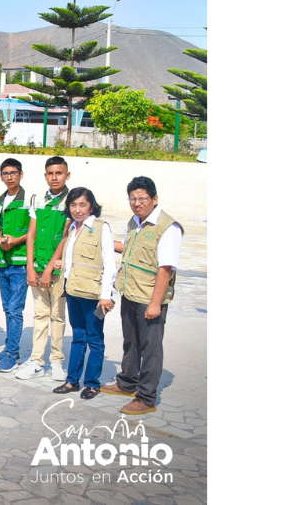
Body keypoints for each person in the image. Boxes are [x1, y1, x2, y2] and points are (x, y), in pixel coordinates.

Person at [102, 176, 183, 416]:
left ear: (154, 199)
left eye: (142, 199)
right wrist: (104, 241)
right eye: (133, 199)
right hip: (131, 292)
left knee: (151, 347)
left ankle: (146, 397)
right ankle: (127, 382)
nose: (137, 203)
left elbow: (165, 268)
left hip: (149, 297)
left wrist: (155, 303)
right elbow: (129, 249)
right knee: (131, 341)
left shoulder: (168, 227)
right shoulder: (135, 222)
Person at [49, 187, 115, 399]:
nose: (77, 209)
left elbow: (109, 263)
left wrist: (106, 295)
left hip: (94, 295)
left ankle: (92, 384)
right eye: (73, 205)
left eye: (82, 205)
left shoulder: (101, 227)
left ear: (91, 206)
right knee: (78, 337)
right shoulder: (72, 229)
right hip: (74, 291)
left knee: (95, 339)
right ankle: (72, 381)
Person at [16, 156, 72, 381]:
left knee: (57, 316)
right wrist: (30, 267)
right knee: (40, 315)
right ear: (45, 175)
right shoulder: (38, 199)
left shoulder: (72, 200)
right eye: (51, 173)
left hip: (57, 270)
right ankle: (36, 361)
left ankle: (57, 361)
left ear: (67, 175)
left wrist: (50, 269)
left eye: (59, 173)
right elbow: (31, 234)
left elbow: (66, 236)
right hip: (37, 268)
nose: (55, 177)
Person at [0, 158, 30, 373]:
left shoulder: (29, 200)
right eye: (5, 173)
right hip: (4, 261)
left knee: (15, 309)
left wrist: (16, 240)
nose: (9, 176)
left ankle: (13, 354)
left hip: (20, 262)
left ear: (21, 175)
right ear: (1, 176)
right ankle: (7, 348)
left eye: (13, 172)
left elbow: (32, 230)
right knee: (7, 308)